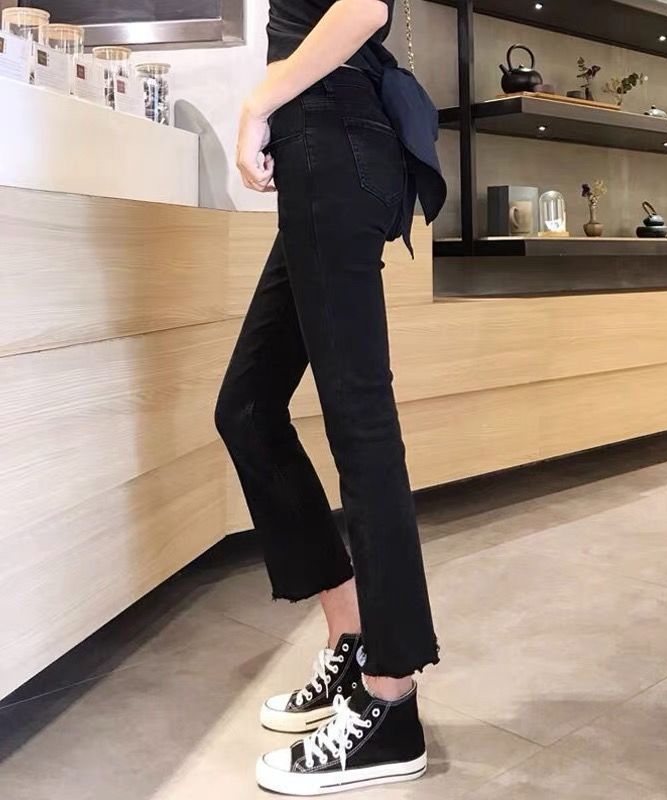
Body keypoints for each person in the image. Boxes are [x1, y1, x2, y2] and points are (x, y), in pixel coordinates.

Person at [214, 0, 446, 793]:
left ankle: (391, 698)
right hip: (325, 145)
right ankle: (353, 642)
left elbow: (362, 7)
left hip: (332, 139)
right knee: (248, 408)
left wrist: (260, 99)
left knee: (360, 421)